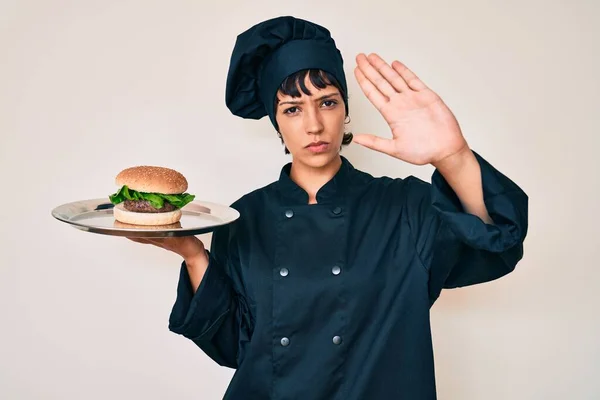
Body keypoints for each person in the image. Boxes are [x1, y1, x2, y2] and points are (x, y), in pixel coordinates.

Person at [129, 15, 528, 400]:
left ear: (346, 109)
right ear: (276, 122)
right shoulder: (243, 217)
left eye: (327, 102)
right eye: (292, 109)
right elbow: (235, 347)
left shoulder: (405, 207)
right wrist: (195, 254)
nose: (314, 125)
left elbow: (495, 240)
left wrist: (453, 156)